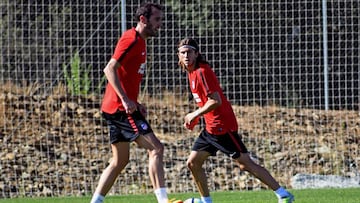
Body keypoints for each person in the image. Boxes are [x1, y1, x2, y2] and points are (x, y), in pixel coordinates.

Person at [177, 38, 295, 203]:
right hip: (211, 128)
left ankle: (283, 194)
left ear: (197, 54)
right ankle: (206, 201)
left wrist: (194, 114)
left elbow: (215, 100)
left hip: (222, 127)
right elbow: (205, 102)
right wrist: (198, 117)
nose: (186, 55)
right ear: (179, 56)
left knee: (245, 163)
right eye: (183, 52)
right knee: (193, 163)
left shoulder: (202, 72)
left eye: (189, 51)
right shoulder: (191, 73)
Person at [90, 3, 173, 203]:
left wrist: (135, 101)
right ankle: (163, 201)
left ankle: (95, 202)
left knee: (120, 160)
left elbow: (125, 75)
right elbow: (109, 69)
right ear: (143, 20)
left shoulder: (141, 42)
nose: (160, 24)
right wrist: (126, 100)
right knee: (156, 149)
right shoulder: (132, 39)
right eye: (157, 20)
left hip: (116, 107)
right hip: (120, 108)